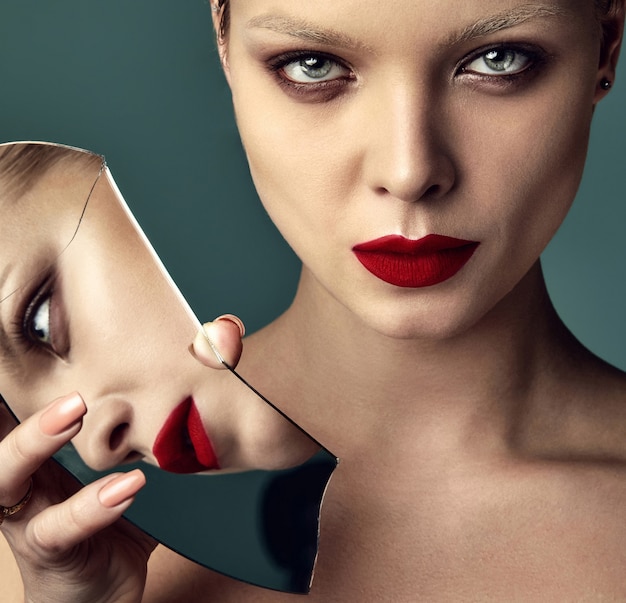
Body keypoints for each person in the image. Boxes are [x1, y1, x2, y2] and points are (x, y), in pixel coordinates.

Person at [1, 0, 626, 600]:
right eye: (313, 64)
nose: (409, 170)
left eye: (499, 59)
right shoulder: (45, 542)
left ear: (606, 45)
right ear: (224, 47)